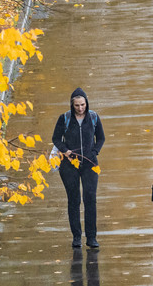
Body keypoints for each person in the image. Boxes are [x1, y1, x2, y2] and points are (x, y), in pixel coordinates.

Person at [52, 88, 105, 248]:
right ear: (72, 105)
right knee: (74, 200)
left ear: (86, 103)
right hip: (69, 165)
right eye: (77, 105)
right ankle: (76, 236)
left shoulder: (94, 117)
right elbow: (56, 138)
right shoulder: (65, 118)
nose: (80, 108)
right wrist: (65, 150)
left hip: (90, 164)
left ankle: (91, 237)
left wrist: (94, 151)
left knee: (90, 199)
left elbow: (101, 138)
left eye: (82, 105)